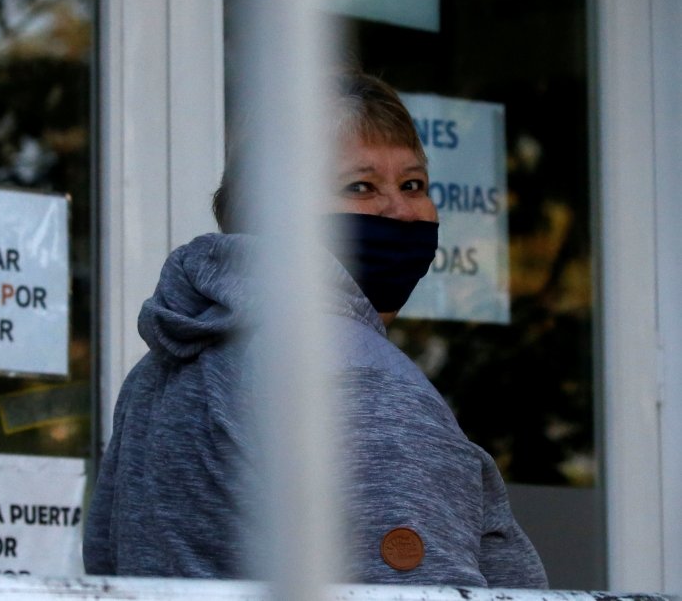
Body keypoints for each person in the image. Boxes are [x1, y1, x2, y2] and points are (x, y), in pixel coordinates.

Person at [82, 69, 548, 587]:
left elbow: (109, 568)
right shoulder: (357, 377)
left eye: (413, 184)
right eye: (361, 186)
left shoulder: (159, 372)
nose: (401, 211)